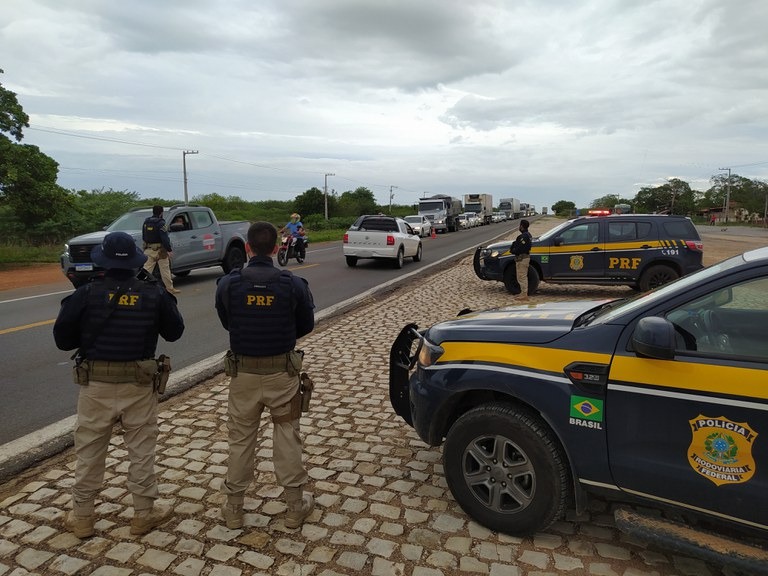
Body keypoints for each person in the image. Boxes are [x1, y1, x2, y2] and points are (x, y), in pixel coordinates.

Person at [53, 231, 185, 539]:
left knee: (89, 452)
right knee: (141, 451)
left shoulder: (85, 294)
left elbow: (63, 340)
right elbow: (175, 331)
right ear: (136, 261)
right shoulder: (153, 293)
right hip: (139, 384)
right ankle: (143, 514)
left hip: (95, 385)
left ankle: (83, 517)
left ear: (102, 261)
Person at [215, 221, 316, 530]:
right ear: (275, 248)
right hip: (281, 376)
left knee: (240, 440)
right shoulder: (293, 284)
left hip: (243, 375)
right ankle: (294, 507)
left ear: (247, 248)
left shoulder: (229, 284)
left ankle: (233, 508)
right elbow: (306, 325)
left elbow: (226, 321)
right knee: (287, 437)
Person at [142, 205, 180, 294]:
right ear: (161, 212)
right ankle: (170, 289)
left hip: (148, 249)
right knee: (165, 270)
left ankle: (138, 286)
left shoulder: (146, 222)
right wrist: (169, 250)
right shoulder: (161, 223)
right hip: (161, 251)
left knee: (146, 270)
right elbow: (165, 238)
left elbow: (144, 236)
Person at [511, 219, 533, 301]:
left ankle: (524, 294)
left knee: (522, 277)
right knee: (521, 276)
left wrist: (513, 250)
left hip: (522, 258)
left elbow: (520, 248)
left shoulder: (523, 236)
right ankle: (522, 293)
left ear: (521, 226)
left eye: (520, 225)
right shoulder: (528, 235)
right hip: (524, 258)